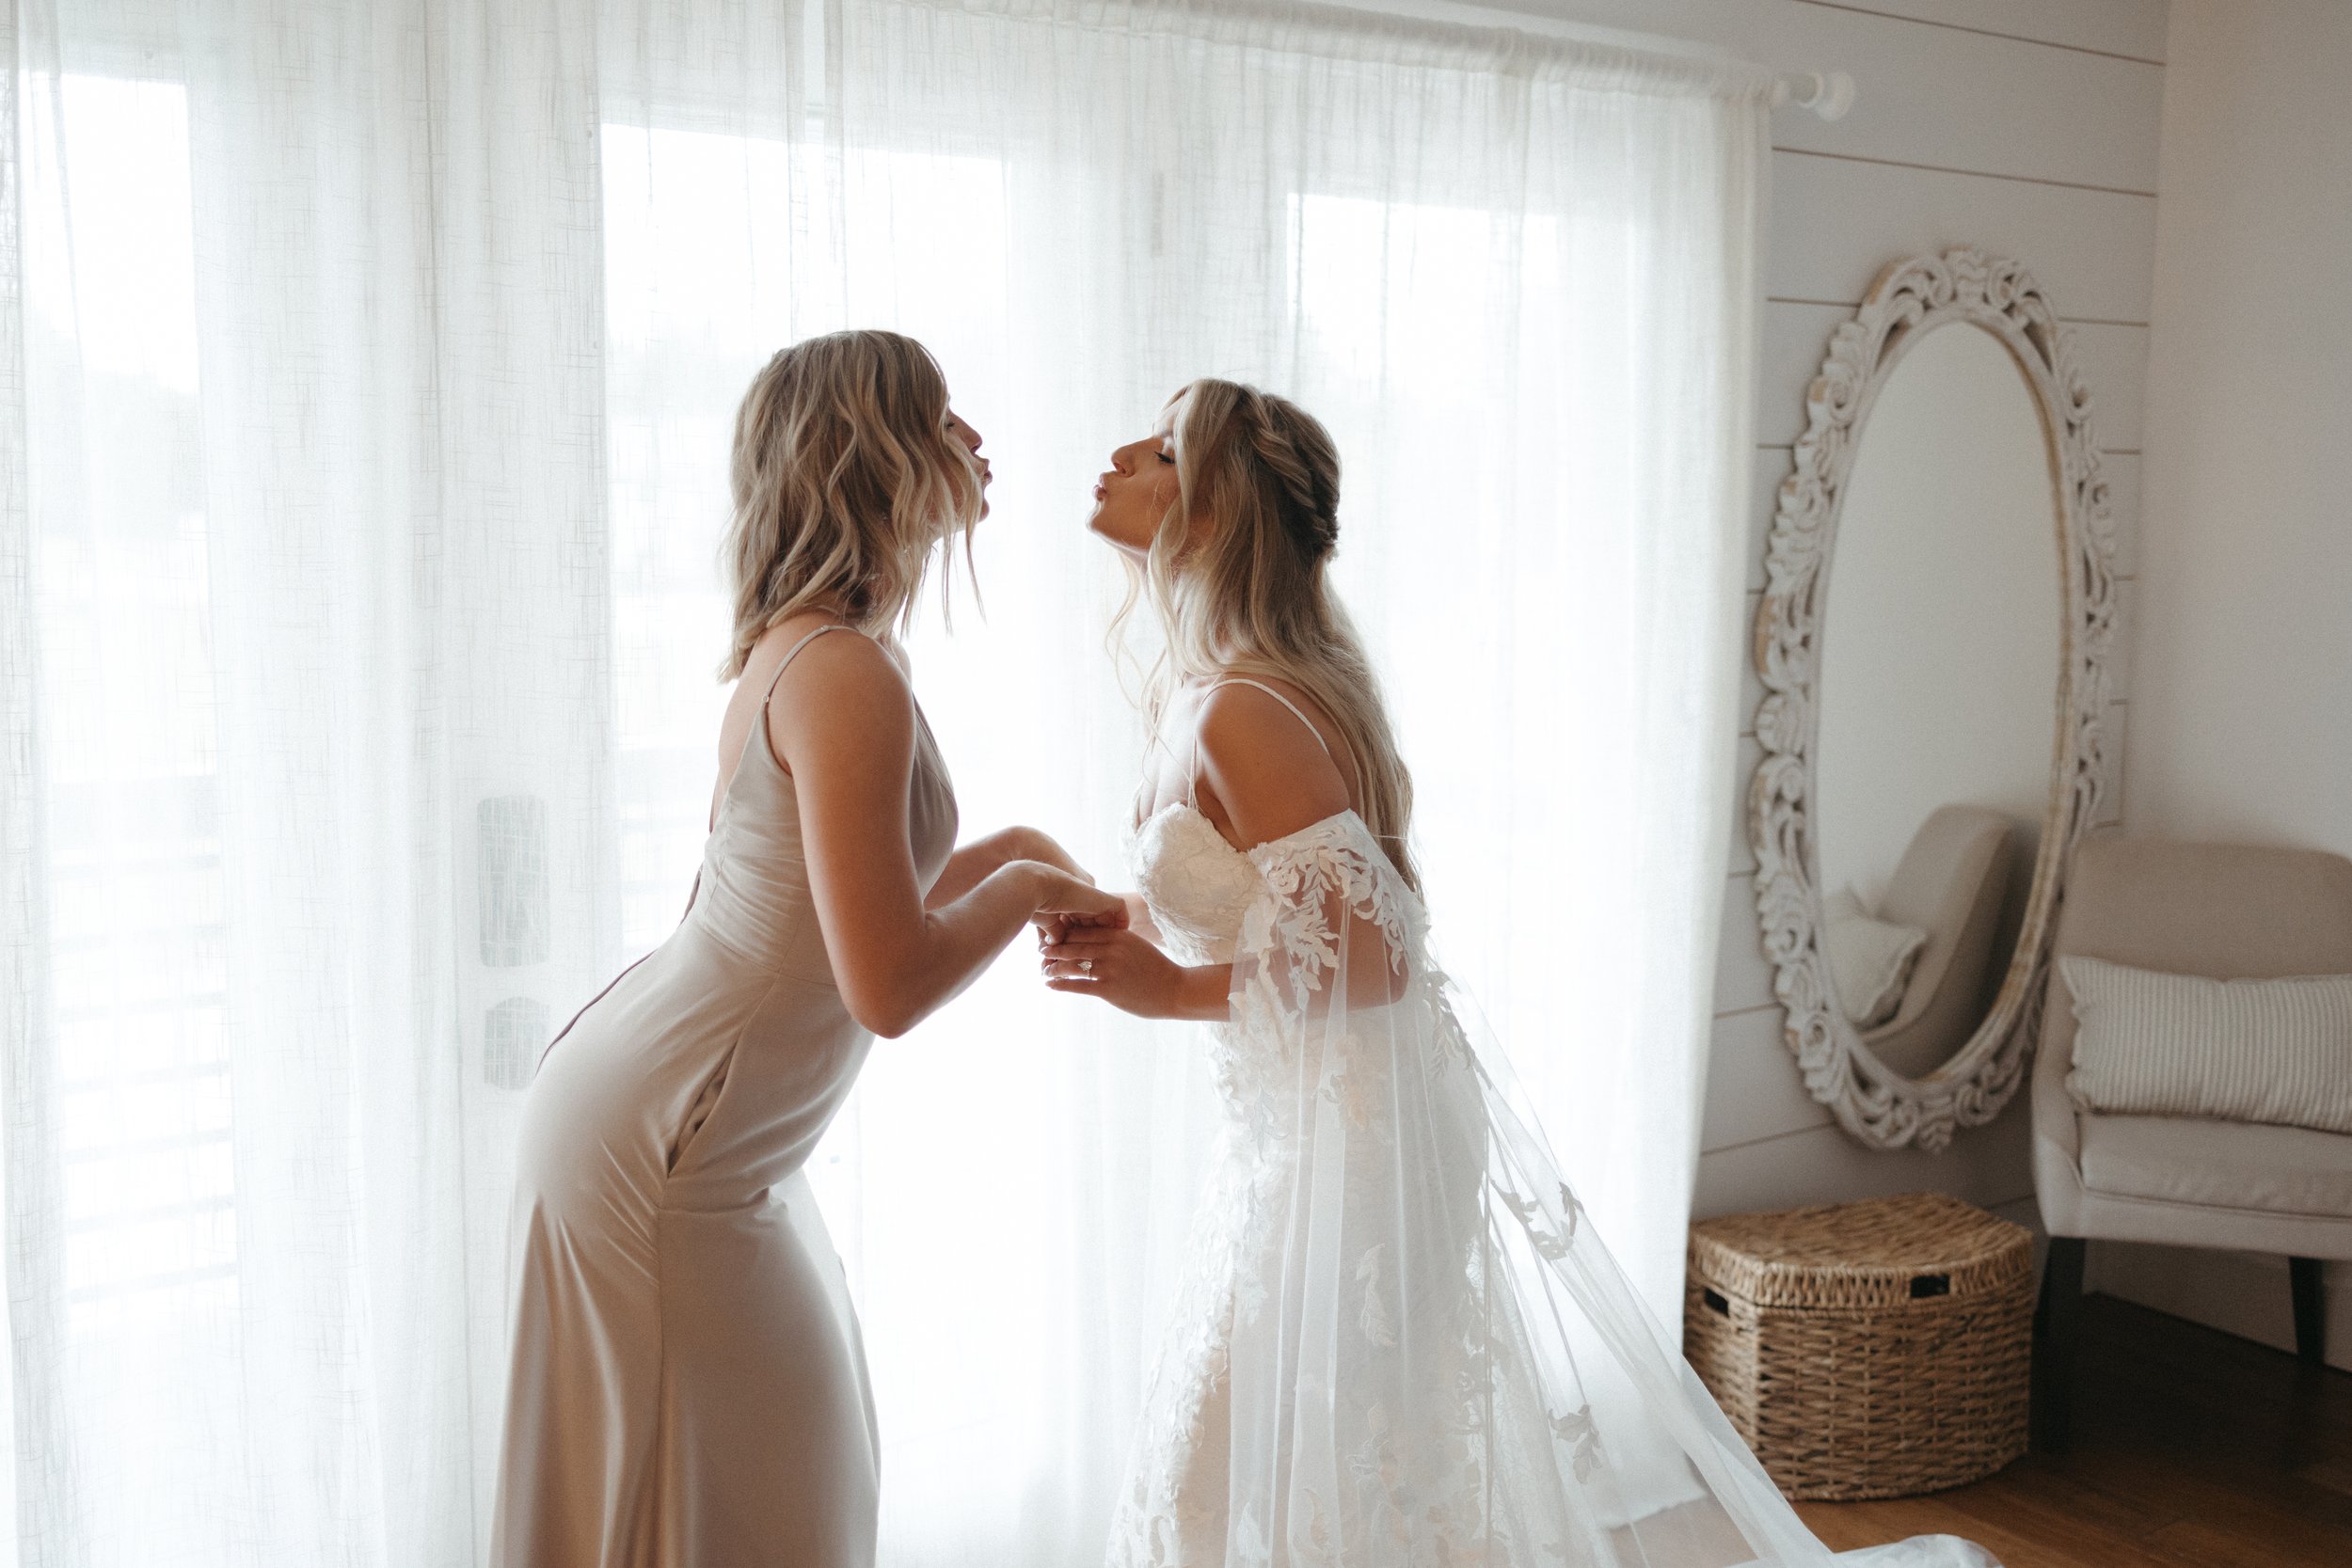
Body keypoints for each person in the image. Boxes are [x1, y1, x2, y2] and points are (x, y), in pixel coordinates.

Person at [1042, 378, 1995, 1568]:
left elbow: (1379, 952)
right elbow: (1264, 897)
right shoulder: (1223, 686)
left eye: (1166, 447)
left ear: (1221, 510)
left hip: (1354, 1140)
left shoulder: (1243, 704)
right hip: (1305, 1130)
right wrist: (1126, 913)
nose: (1123, 449)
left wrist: (1165, 988)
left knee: (1238, 1470)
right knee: (1279, 1463)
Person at [492, 329, 1120, 1567]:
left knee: (787, 1480)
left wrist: (1015, 857)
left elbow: (838, 907)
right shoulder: (840, 670)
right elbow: (883, 982)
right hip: (672, 1147)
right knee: (775, 1501)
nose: (973, 438)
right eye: (942, 415)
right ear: (877, 452)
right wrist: (1034, 881)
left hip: (685, 1119)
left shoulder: (829, 649)